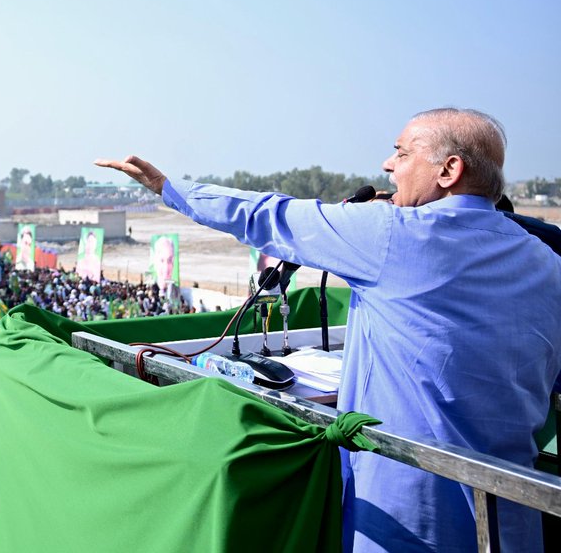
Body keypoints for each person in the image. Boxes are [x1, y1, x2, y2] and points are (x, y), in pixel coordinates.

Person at [97, 107, 561, 552]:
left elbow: (271, 215)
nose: (388, 165)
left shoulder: (391, 234)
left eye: (401, 153)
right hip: (512, 514)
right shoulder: (547, 263)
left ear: (449, 170)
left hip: (407, 515)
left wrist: (169, 188)